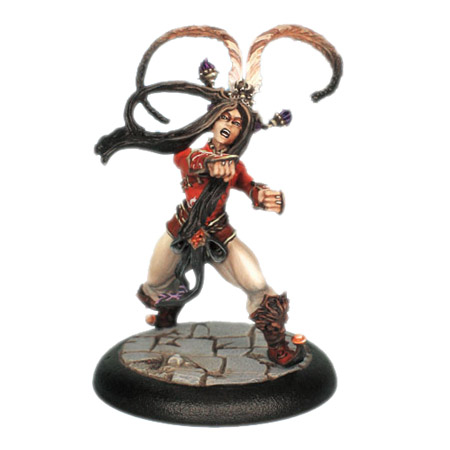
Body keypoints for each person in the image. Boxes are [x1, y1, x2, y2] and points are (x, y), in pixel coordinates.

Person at [95, 25, 342, 367]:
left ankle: (277, 349)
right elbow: (189, 161)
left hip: (219, 236)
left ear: (243, 132)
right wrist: (210, 163)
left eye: (238, 123)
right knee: (155, 284)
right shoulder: (192, 155)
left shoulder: (234, 165)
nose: (230, 124)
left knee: (258, 286)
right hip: (181, 230)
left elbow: (248, 184)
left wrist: (262, 195)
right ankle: (166, 315)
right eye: (225, 117)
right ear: (213, 120)